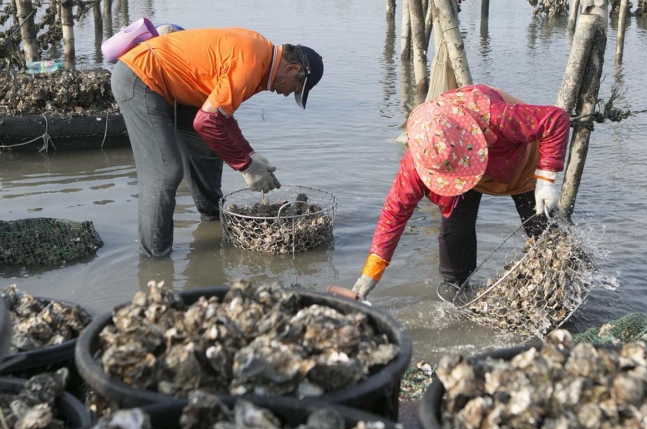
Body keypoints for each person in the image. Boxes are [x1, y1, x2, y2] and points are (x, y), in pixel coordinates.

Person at [111, 27, 323, 258]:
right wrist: (245, 166)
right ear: (293, 68)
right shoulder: (252, 62)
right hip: (141, 78)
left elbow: (222, 117)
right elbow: (207, 122)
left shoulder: (260, 58)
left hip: (179, 89)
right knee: (165, 172)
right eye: (295, 88)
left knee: (206, 151)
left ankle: (211, 221)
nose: (287, 94)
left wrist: (250, 154)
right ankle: (155, 260)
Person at [352, 84, 570, 301]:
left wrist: (546, 179)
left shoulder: (495, 116)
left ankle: (566, 280)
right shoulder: (424, 155)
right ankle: (456, 287)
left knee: (543, 229)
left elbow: (556, 119)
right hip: (460, 170)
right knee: (455, 227)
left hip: (520, 163)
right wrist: (369, 275)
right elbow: (395, 213)